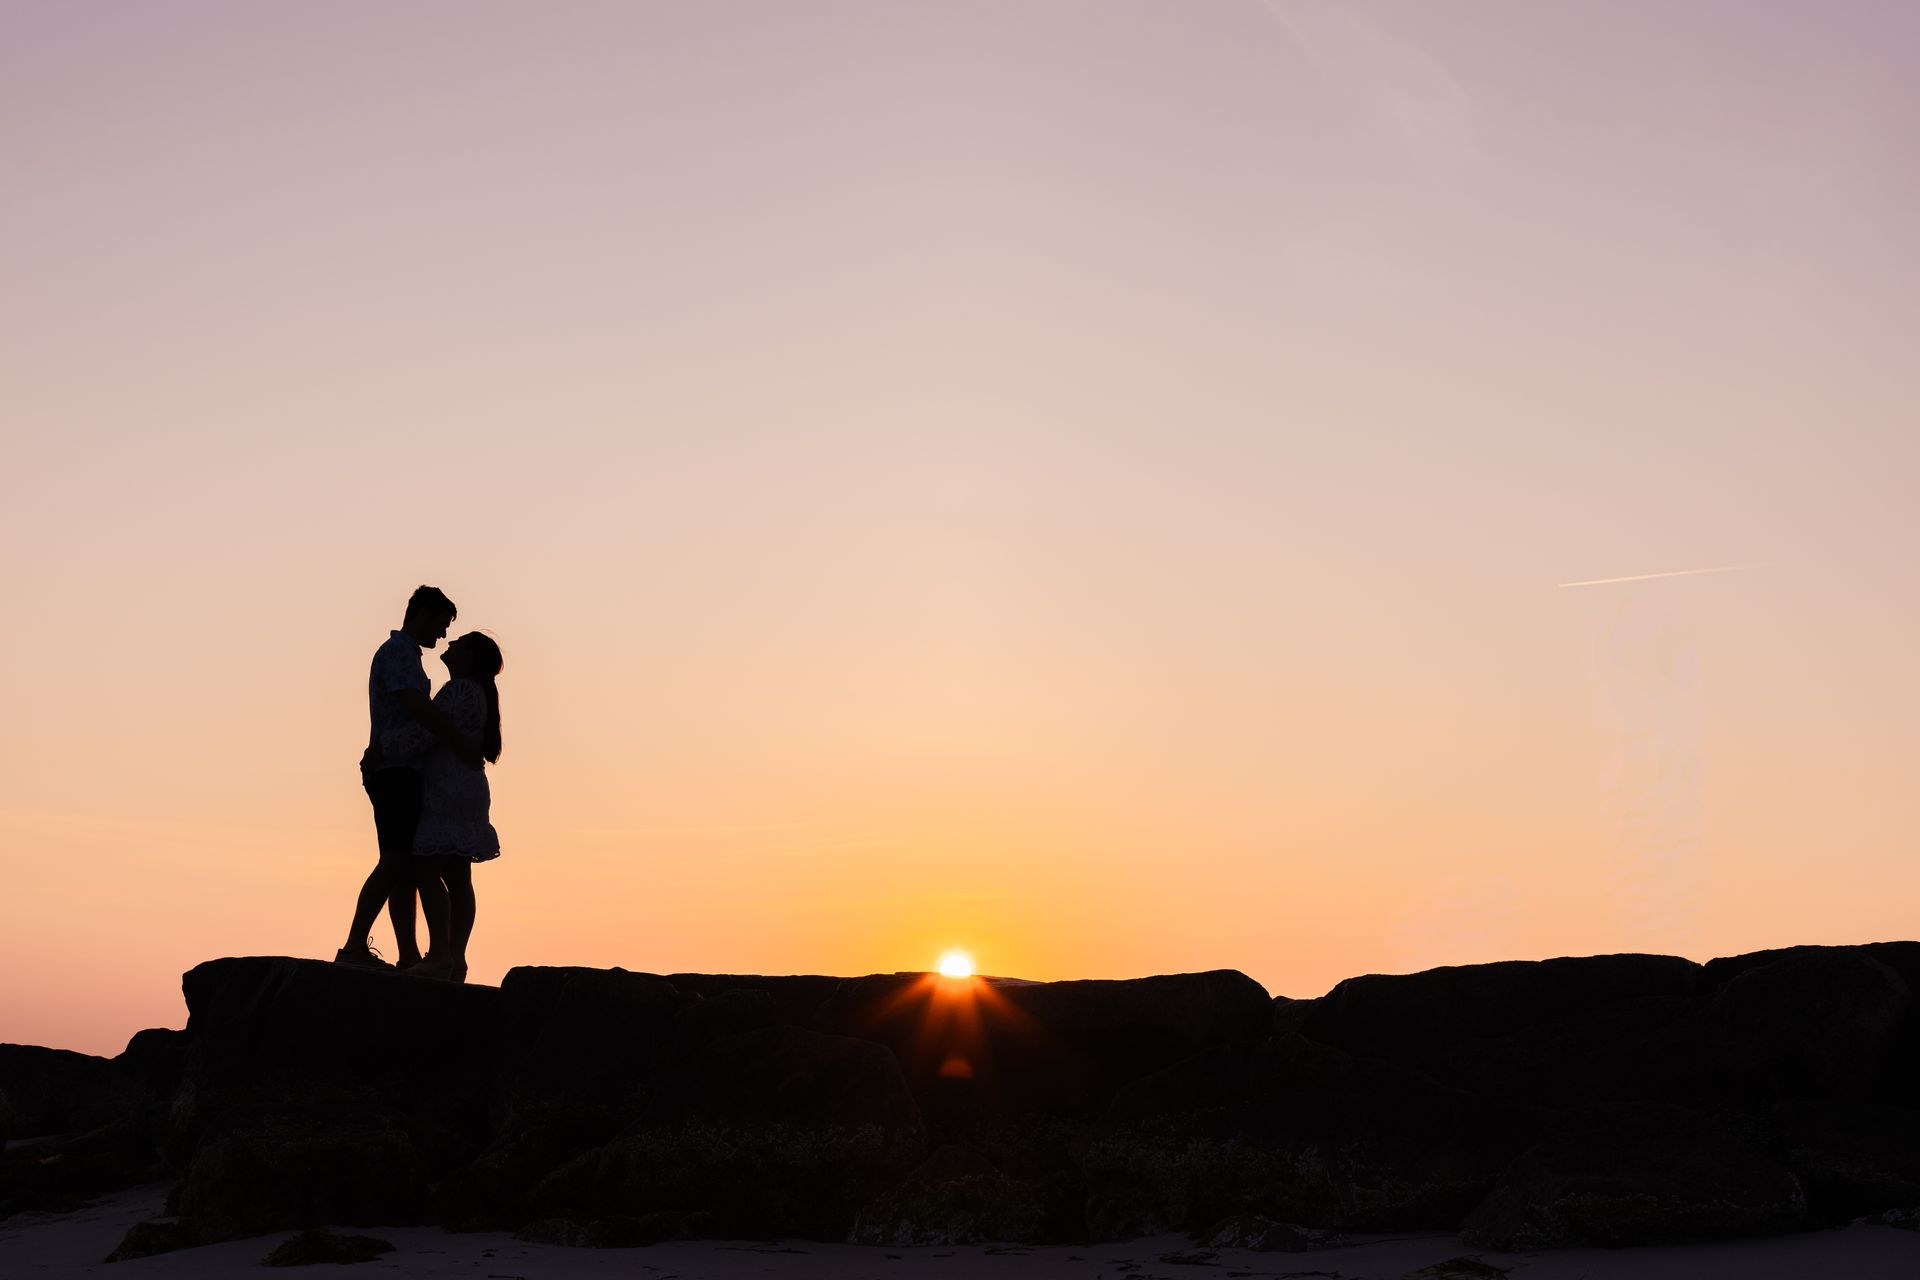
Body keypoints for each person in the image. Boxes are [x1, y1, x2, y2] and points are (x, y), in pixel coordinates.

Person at [337, 586, 482, 970]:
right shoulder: (398, 652)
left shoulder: (408, 656)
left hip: (402, 769)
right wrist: (455, 738)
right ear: (424, 614)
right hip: (395, 770)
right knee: (397, 859)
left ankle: (408, 956)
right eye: (442, 623)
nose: (444, 634)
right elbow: (415, 707)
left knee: (403, 866)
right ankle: (354, 946)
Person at [385, 631, 503, 982]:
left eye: (459, 644)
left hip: (448, 786)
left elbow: (425, 733)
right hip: (466, 787)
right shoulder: (477, 692)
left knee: (425, 868)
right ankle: (455, 957)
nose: (449, 644)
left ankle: (439, 955)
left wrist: (383, 746)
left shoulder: (459, 690)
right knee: (458, 874)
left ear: (470, 657)